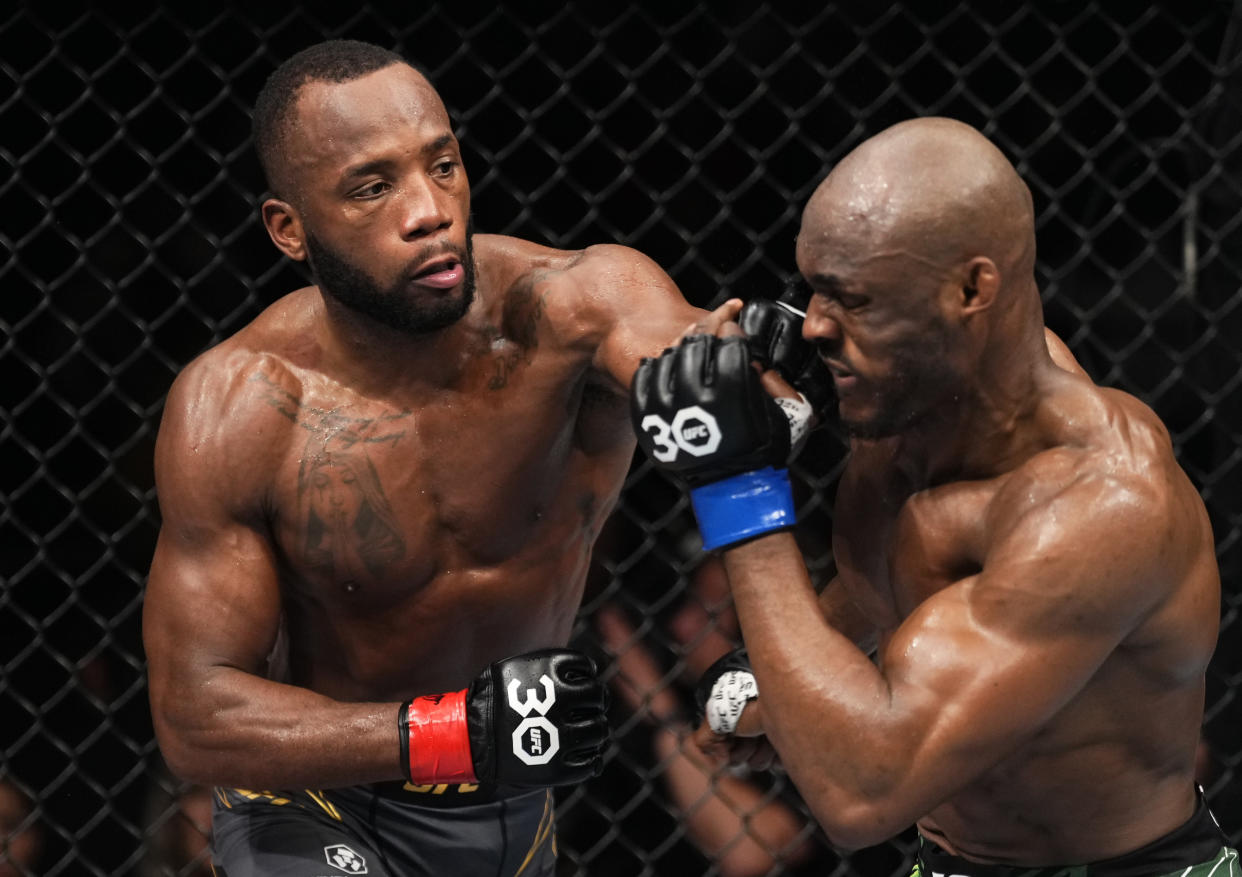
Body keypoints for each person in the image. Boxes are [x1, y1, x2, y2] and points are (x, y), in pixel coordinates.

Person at [141, 38, 736, 876]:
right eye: (373, 187)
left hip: (515, 806)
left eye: (443, 165)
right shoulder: (241, 406)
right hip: (318, 802)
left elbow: (686, 357)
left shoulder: (570, 312)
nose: (429, 210)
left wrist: (750, 383)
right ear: (289, 231)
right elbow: (196, 714)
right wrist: (453, 732)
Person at [631, 117, 1236, 875]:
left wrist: (740, 489)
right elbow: (893, 586)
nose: (814, 325)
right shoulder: (911, 403)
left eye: (853, 299)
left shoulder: (1103, 505)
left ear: (972, 288)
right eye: (813, 288)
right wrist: (770, 680)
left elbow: (860, 795)